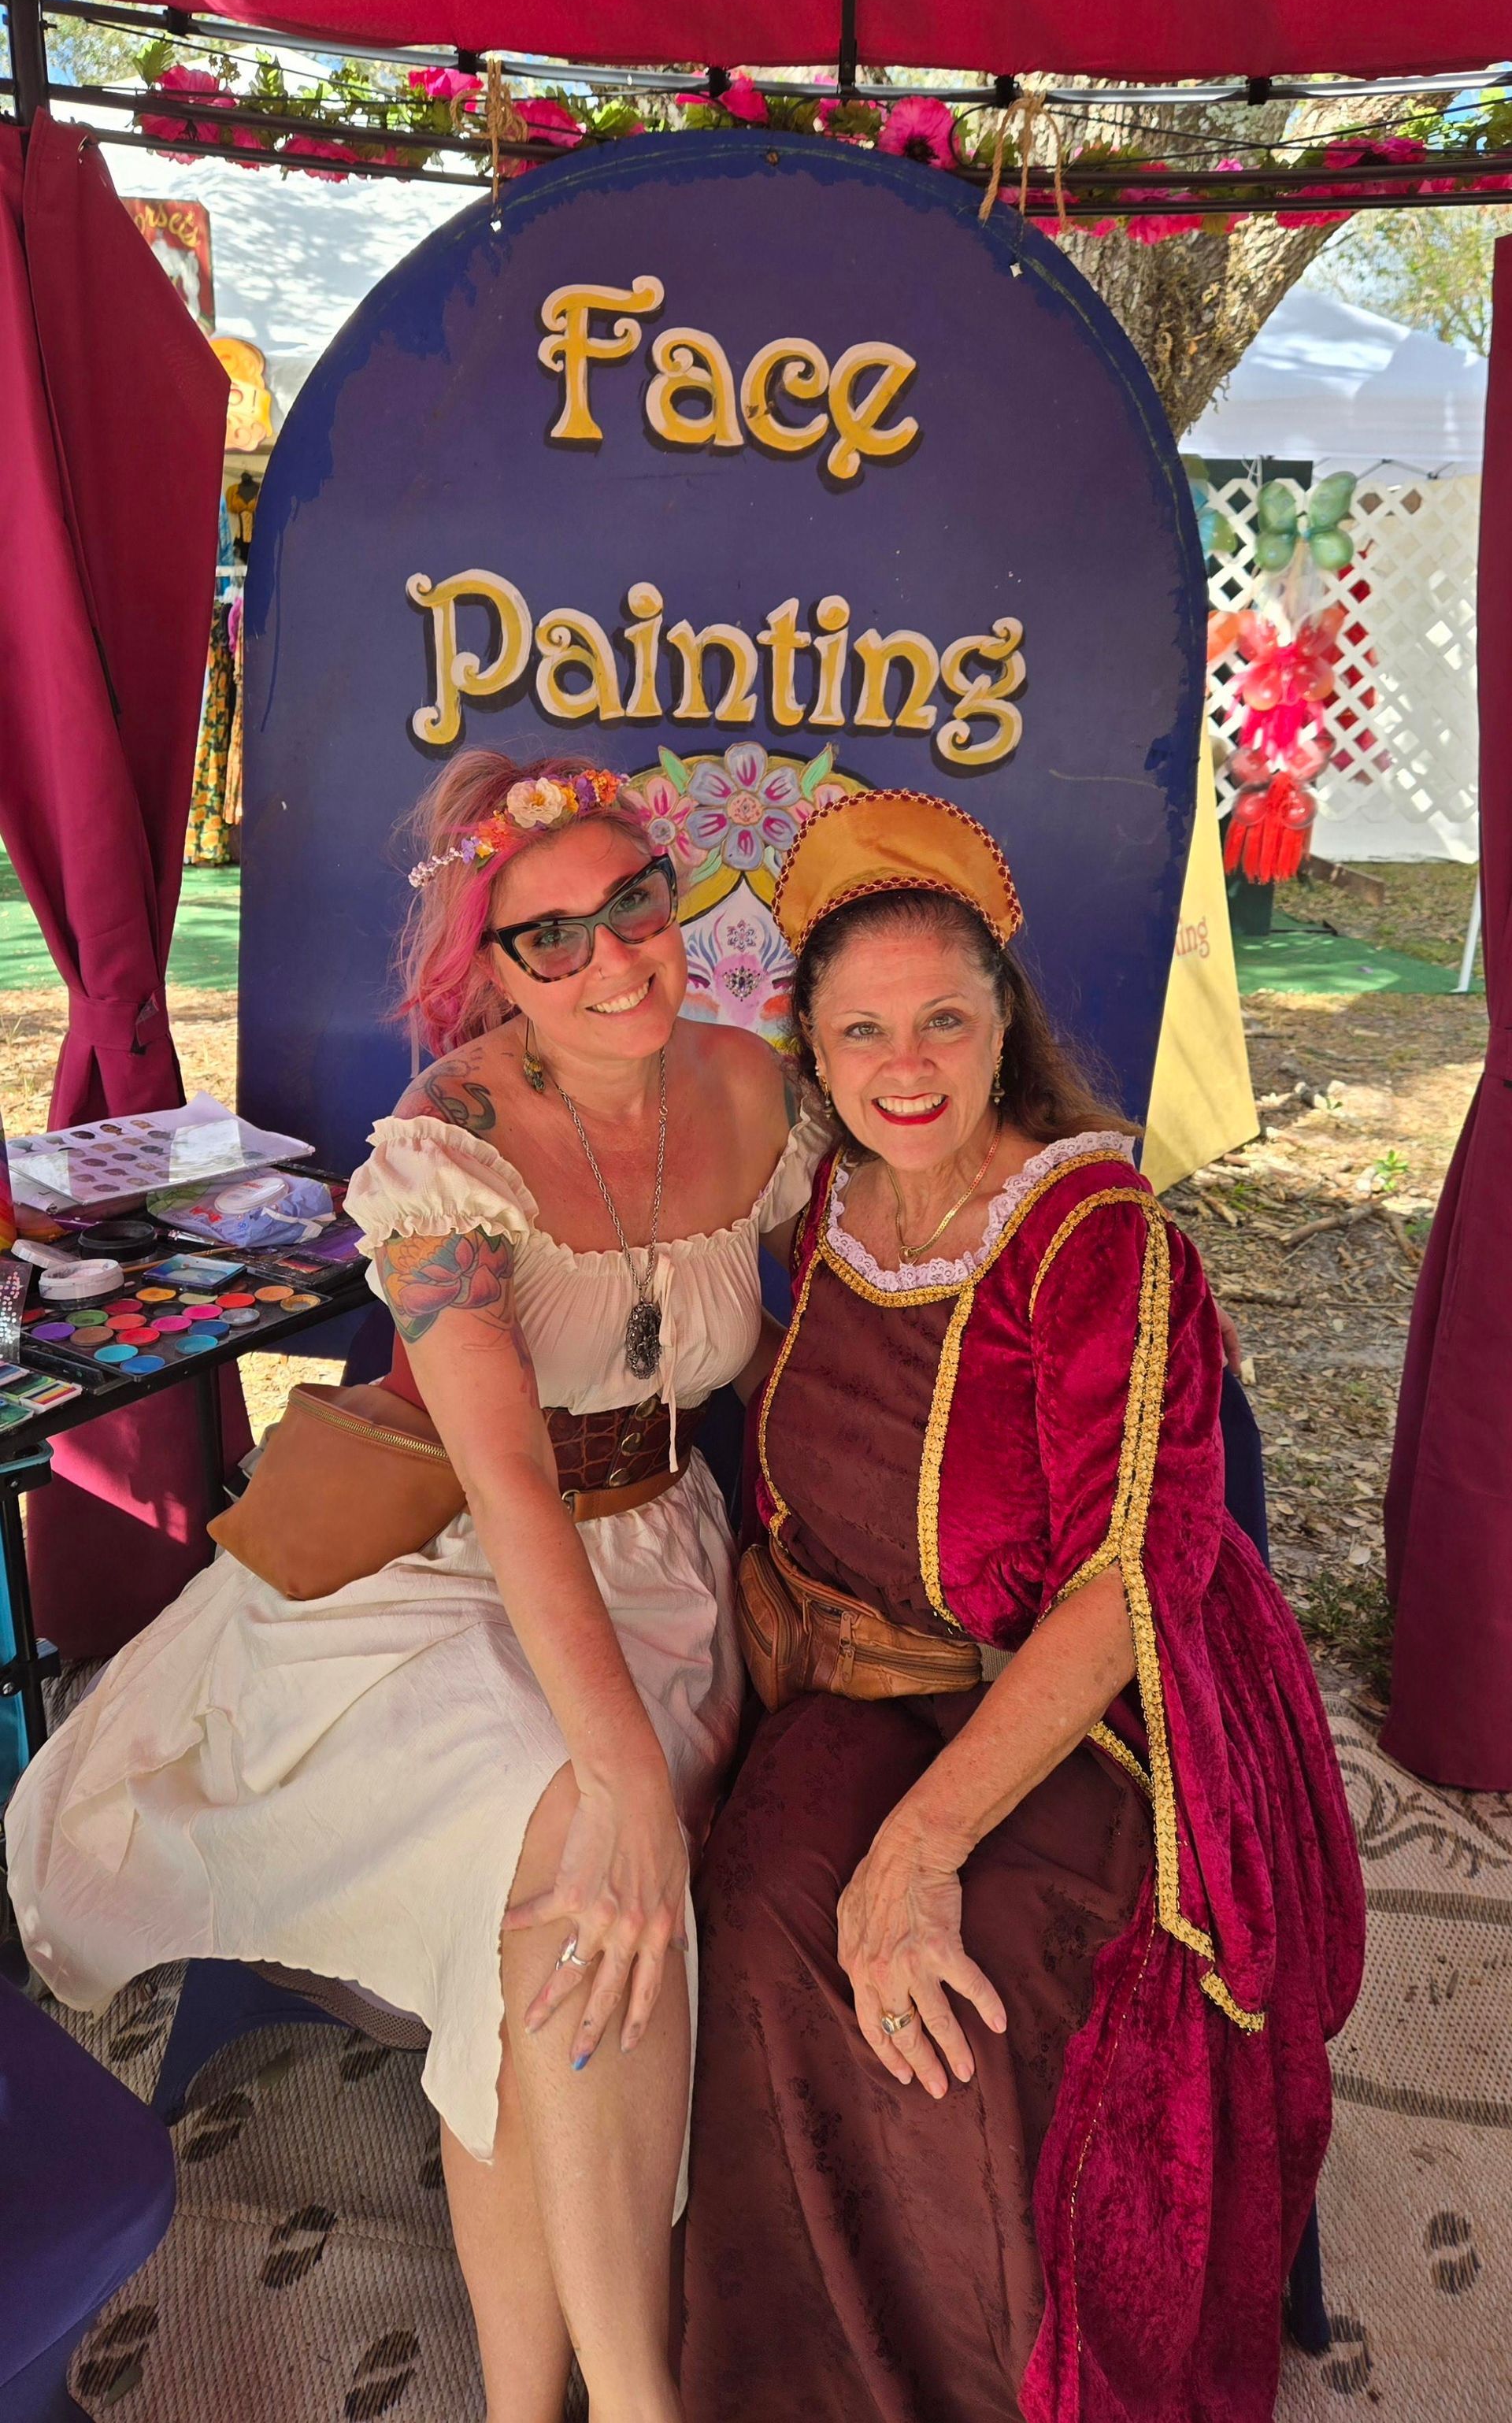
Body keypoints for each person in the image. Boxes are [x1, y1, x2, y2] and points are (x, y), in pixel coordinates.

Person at [6, 749, 828, 2423]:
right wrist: (623, 1782)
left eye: (636, 904)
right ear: (491, 971)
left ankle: (540, 2409)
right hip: (452, 1563)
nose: (612, 959)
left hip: (665, 1556)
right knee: (570, 1839)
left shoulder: (757, 1089)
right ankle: (641, 2400)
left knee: (543, 1948)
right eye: (551, 939)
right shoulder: (450, 1139)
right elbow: (513, 1478)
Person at [680, 791, 1366, 2423]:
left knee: (969, 1995)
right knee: (769, 1922)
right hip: (860, 1683)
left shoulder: (1092, 1241)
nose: (903, 1065)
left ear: (1007, 1027)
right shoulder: (825, 1208)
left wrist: (919, 1853)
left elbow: (1131, 1577)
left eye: (942, 1020)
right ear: (812, 1048)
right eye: (860, 1030)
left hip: (1089, 1707)